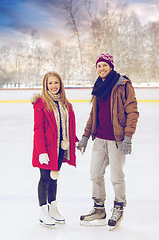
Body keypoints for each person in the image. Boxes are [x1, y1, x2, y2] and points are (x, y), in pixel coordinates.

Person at [77, 53, 139, 230]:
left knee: (116, 177)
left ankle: (119, 207)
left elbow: (133, 112)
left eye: (104, 65)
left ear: (111, 66)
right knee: (95, 174)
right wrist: (85, 136)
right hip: (100, 140)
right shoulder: (98, 86)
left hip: (117, 140)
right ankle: (99, 209)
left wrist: (128, 137)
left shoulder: (123, 85)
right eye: (99, 66)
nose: (101, 69)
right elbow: (93, 115)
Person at [31, 72, 78, 227]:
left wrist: (75, 141)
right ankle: (43, 211)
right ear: (46, 85)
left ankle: (53, 208)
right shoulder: (41, 103)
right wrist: (42, 152)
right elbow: (38, 129)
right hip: (45, 150)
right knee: (44, 178)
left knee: (54, 177)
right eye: (50, 83)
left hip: (59, 148)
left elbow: (68, 127)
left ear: (60, 84)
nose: (53, 86)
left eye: (56, 82)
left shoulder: (65, 104)